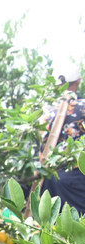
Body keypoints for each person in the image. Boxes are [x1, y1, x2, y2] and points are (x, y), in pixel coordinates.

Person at [40, 60, 85, 214]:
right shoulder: (83, 108)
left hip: (54, 181)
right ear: (78, 81)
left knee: (56, 228)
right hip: (80, 180)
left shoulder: (46, 112)